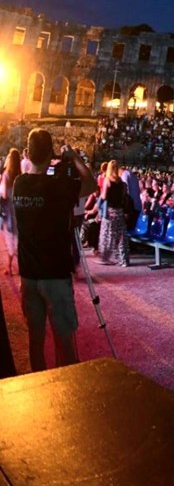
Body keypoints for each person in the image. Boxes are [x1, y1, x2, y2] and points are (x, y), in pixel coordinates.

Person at [12, 129, 98, 372]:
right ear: (51, 154)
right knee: (64, 341)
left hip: (28, 275)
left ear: (27, 153)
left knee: (35, 340)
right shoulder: (59, 187)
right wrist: (74, 158)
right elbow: (91, 184)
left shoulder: (19, 184)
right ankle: (66, 384)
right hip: (55, 276)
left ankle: (38, 382)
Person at [97, 160, 130, 267]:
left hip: (110, 212)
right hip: (119, 211)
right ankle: (123, 259)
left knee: (107, 234)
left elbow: (104, 196)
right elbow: (123, 197)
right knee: (121, 236)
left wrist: (98, 204)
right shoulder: (121, 182)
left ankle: (106, 257)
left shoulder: (107, 180)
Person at [0, 148, 21, 276]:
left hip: (8, 209)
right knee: (18, 237)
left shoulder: (6, 175)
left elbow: (3, 194)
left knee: (9, 238)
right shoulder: (20, 175)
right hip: (18, 209)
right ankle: (16, 265)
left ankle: (9, 266)